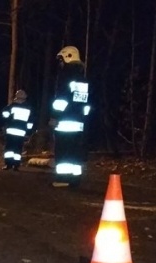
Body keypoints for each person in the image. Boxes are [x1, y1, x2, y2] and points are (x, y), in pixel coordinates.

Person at [49, 45, 91, 187]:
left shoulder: (66, 77)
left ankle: (62, 179)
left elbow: (61, 100)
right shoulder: (83, 80)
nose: (60, 63)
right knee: (74, 152)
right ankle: (74, 180)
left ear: (68, 57)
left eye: (61, 60)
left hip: (64, 122)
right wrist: (83, 118)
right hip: (79, 123)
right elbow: (85, 104)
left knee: (63, 151)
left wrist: (55, 116)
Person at [0, 89, 34, 171]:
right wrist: (28, 131)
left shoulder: (12, 106)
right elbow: (31, 121)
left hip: (11, 130)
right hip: (21, 131)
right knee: (18, 149)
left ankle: (8, 165)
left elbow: (5, 115)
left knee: (9, 148)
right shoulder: (28, 108)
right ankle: (16, 166)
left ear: (16, 97)